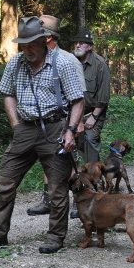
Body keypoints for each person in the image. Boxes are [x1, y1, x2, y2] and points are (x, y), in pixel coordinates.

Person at [0, 16, 84, 254]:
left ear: (44, 41)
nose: (27, 50)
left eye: (32, 45)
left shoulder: (63, 63)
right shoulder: (15, 63)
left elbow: (78, 100)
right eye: (23, 45)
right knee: (5, 181)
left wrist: (71, 130)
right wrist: (15, 125)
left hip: (55, 127)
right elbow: (7, 94)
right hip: (25, 128)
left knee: (57, 187)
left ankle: (55, 236)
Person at [26, 14, 86, 216]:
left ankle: (80, 201)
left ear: (47, 37)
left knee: (71, 163)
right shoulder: (35, 61)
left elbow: (79, 96)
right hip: (46, 125)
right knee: (48, 163)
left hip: (67, 123)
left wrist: (75, 125)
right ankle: (48, 200)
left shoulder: (68, 61)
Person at [72, 29, 111, 164]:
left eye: (82, 43)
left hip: (93, 113)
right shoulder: (69, 62)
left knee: (89, 139)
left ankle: (95, 179)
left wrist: (93, 117)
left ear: (90, 46)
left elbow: (104, 96)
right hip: (72, 112)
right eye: (76, 43)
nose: (77, 45)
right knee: (68, 140)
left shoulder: (100, 64)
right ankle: (75, 180)